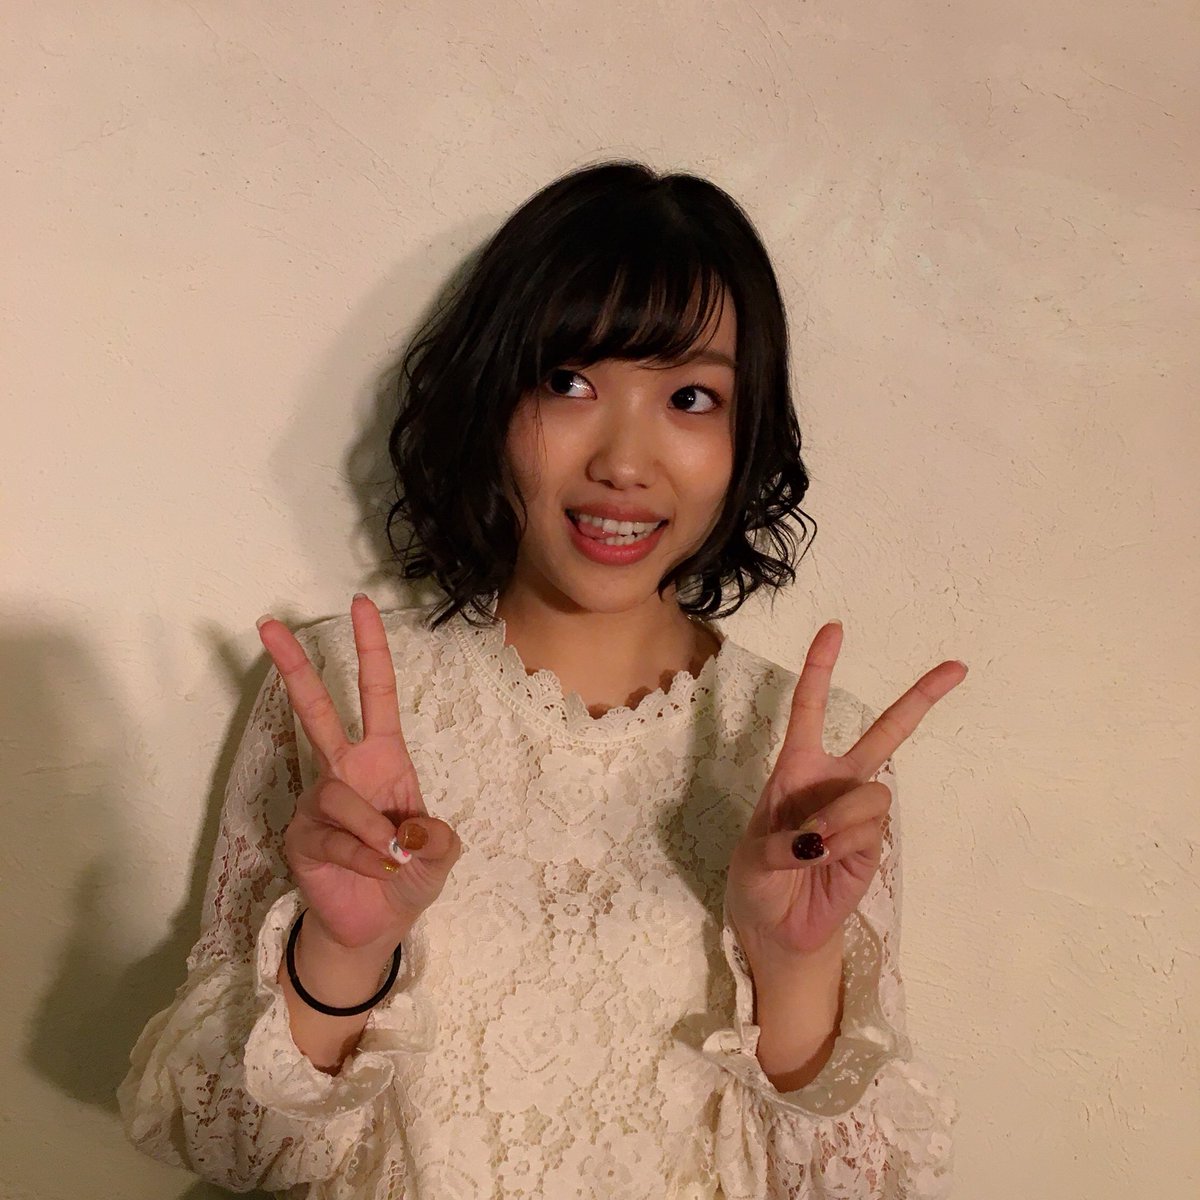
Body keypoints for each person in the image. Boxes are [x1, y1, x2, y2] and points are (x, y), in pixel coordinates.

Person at [118, 160, 966, 1198]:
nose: (624, 460)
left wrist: (789, 965)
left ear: (744, 439)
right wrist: (341, 955)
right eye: (568, 382)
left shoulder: (814, 758)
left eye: (690, 397)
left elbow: (857, 1187)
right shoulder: (338, 695)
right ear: (491, 399)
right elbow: (231, 1147)